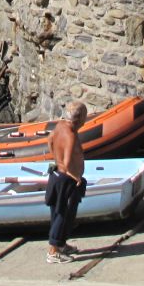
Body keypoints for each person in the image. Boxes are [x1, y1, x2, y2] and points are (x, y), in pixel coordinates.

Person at [44, 100, 88, 264]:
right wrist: (75, 176)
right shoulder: (70, 135)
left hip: (56, 176)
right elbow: (68, 162)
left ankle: (61, 244)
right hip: (66, 180)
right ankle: (53, 251)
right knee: (64, 214)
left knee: (57, 212)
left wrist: (55, 157)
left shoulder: (60, 125)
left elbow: (50, 140)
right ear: (80, 119)